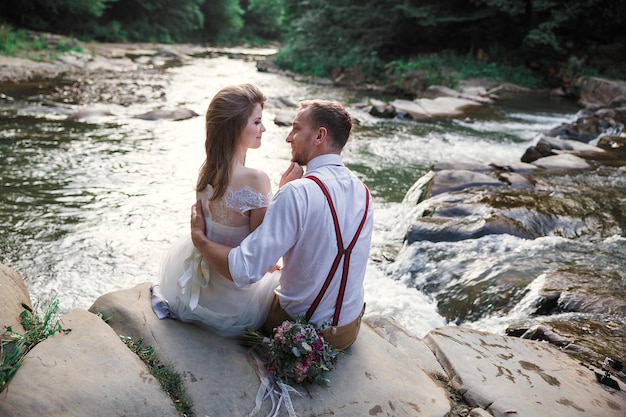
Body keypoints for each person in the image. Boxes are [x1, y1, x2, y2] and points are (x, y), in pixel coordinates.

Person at [190, 99, 373, 350]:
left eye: (296, 129)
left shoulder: (298, 193)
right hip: (347, 331)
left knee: (258, 290)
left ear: (320, 135)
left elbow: (244, 270)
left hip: (299, 332)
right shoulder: (364, 192)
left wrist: (200, 239)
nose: (288, 137)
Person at [151, 83, 280, 337]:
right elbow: (261, 256)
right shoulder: (256, 179)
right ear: (235, 128)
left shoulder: (207, 170)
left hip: (199, 289)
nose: (263, 128)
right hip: (232, 301)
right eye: (257, 122)